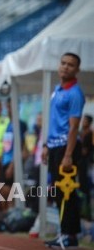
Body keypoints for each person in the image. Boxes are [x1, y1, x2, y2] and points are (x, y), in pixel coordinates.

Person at [43, 53, 85, 248]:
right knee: (58, 193)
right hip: (54, 147)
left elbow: (74, 127)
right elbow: (53, 122)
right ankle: (64, 233)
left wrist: (68, 155)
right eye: (63, 63)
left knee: (67, 193)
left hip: (66, 149)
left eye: (71, 65)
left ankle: (70, 235)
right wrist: (45, 145)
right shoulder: (57, 90)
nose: (66, 67)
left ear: (77, 70)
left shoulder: (75, 93)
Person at [2, 98, 28, 185]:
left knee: (12, 193)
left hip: (13, 165)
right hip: (5, 163)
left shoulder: (20, 125)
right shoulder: (8, 124)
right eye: (8, 107)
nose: (10, 110)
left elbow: (20, 147)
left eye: (12, 107)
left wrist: (12, 166)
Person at [79, 114, 93, 220]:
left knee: (85, 188)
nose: (83, 121)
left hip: (85, 164)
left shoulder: (90, 134)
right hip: (80, 163)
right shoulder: (81, 133)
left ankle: (86, 211)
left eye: (85, 120)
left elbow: (85, 151)